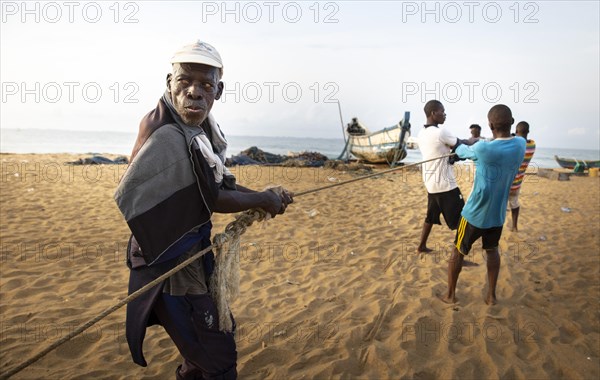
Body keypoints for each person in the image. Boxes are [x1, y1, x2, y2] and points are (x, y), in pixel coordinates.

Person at [114, 40, 293, 379]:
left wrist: (264, 196)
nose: (194, 92)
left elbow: (214, 186)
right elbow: (210, 199)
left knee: (203, 352)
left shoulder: (196, 130)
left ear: (218, 91)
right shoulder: (165, 132)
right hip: (168, 261)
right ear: (170, 83)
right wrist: (262, 200)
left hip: (191, 249)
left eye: (205, 85)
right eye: (184, 82)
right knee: (217, 356)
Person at [439, 104, 526, 305]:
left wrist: (465, 143)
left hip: (474, 214)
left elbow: (460, 149)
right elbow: (509, 140)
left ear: (490, 125)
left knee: (457, 251)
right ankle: (491, 296)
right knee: (492, 251)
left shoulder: (482, 148)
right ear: (512, 122)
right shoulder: (521, 144)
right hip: (497, 215)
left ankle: (450, 295)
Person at [416, 100, 467, 253]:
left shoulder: (421, 133)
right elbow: (461, 144)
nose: (445, 114)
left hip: (431, 184)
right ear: (433, 113)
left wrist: (452, 157)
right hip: (446, 185)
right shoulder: (441, 132)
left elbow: (441, 152)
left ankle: (421, 246)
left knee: (430, 217)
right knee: (462, 221)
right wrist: (475, 141)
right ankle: (457, 258)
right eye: (442, 111)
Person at [508, 121, 536, 231]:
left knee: (501, 207)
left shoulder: (513, 145)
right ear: (528, 131)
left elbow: (510, 139)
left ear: (515, 131)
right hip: (517, 184)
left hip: (506, 183)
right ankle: (514, 226)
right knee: (514, 203)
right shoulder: (532, 145)